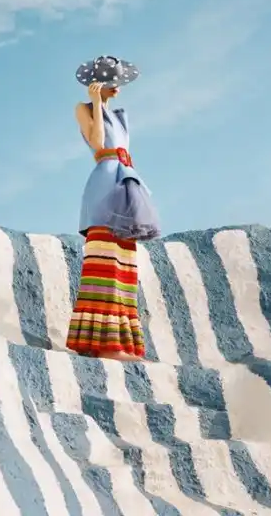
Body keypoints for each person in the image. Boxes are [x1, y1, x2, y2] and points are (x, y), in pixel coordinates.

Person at [65, 55, 161, 361]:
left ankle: (118, 344)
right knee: (103, 264)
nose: (116, 87)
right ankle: (102, 345)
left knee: (123, 265)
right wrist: (95, 103)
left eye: (118, 81)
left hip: (125, 183)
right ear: (96, 84)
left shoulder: (120, 116)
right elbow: (97, 142)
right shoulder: (83, 108)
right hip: (104, 184)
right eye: (110, 82)